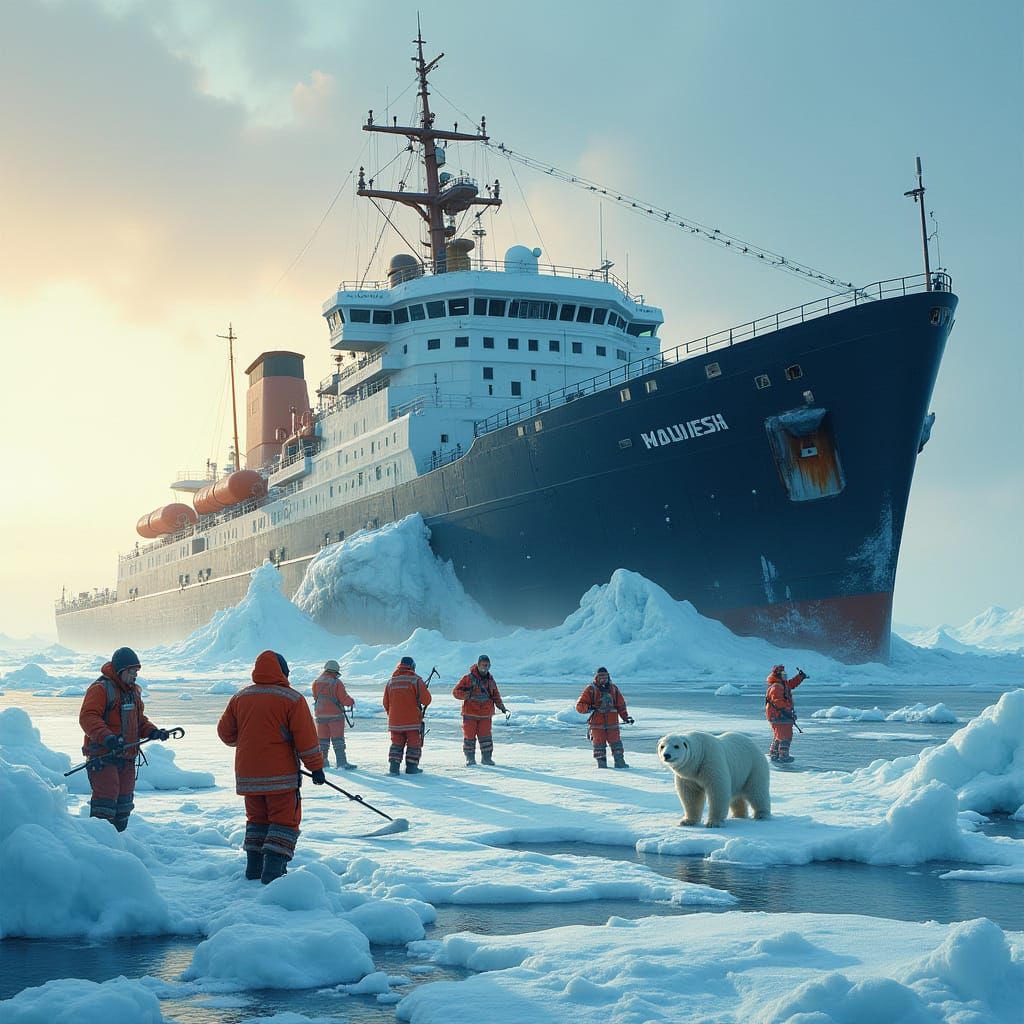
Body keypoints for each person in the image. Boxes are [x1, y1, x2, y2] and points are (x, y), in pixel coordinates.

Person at [217, 650, 325, 883]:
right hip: (281, 778)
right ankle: (273, 874)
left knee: (257, 820)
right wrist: (316, 768)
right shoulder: (292, 699)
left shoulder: (240, 697)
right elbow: (306, 739)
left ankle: (254, 869)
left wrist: (249, 739)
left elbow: (225, 734)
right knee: (284, 821)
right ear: (283, 672)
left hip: (248, 777)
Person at [79, 646, 171, 831]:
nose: (135, 675)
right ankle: (100, 842)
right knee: (105, 804)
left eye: (136, 671)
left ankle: (119, 840)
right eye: (131, 671)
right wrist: (108, 738)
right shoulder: (101, 689)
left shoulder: (133, 692)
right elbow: (88, 717)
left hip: (127, 758)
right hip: (104, 757)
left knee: (124, 804)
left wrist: (153, 731)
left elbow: (139, 721)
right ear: (120, 671)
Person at [453, 654, 507, 766]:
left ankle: (487, 759)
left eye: (487, 666)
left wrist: (501, 706)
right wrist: (466, 695)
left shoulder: (491, 680)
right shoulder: (468, 678)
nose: (485, 668)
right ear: (478, 665)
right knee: (469, 738)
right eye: (483, 665)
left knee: (486, 738)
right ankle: (470, 759)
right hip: (470, 714)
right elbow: (455, 692)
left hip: (485, 715)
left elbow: (495, 695)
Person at [576, 667, 634, 768]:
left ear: (608, 676)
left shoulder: (614, 689)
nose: (603, 679)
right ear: (597, 677)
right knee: (599, 746)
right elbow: (579, 706)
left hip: (612, 724)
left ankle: (620, 762)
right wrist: (589, 707)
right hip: (597, 725)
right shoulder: (591, 689)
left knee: (616, 744)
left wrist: (625, 717)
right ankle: (602, 765)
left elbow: (621, 705)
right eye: (601, 677)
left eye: (605, 676)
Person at [383, 656, 432, 775]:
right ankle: (411, 768)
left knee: (396, 744)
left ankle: (394, 768)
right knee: (413, 744)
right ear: (413, 666)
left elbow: (385, 703)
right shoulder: (416, 680)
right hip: (412, 721)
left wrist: (393, 715)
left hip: (395, 722)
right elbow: (427, 700)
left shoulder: (391, 681)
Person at [312, 659, 357, 769]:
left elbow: (315, 697)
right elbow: (344, 699)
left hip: (320, 716)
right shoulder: (336, 683)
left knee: (323, 741)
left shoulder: (316, 682)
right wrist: (351, 701)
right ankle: (341, 763)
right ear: (336, 671)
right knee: (338, 741)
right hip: (335, 716)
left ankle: (323, 762)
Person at [764, 664, 808, 763]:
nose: (785, 676)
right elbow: (777, 701)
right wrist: (787, 709)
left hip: (778, 715)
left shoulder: (781, 684)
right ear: (778, 675)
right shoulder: (777, 687)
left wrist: (800, 677)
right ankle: (783, 756)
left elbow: (790, 684)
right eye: (783, 674)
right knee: (785, 736)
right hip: (779, 715)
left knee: (779, 736)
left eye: (785, 674)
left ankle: (774, 754)